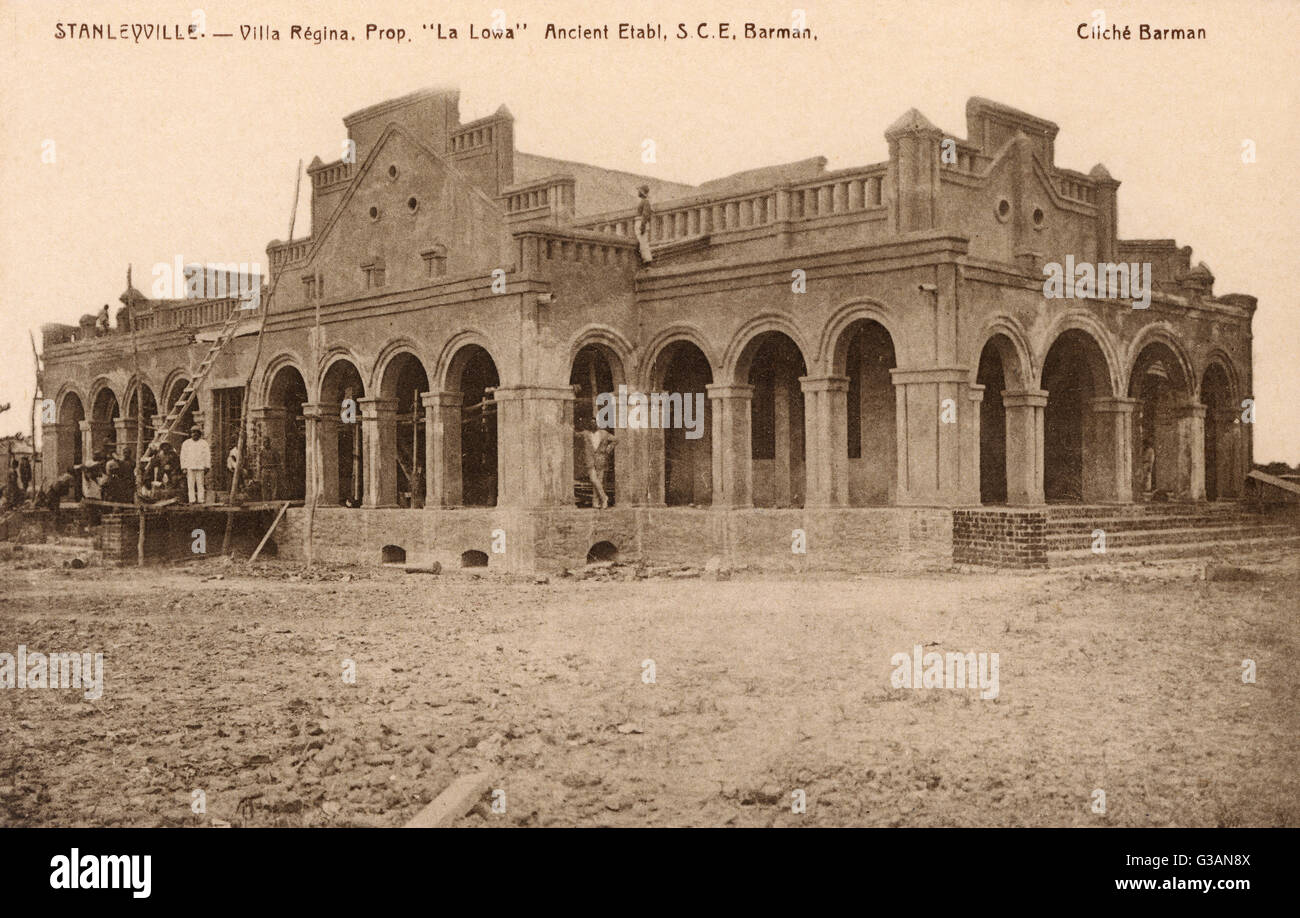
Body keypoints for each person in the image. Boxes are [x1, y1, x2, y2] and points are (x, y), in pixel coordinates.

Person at [584, 426, 616, 509]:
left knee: (599, 481)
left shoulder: (604, 433)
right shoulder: (586, 434)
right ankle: (604, 497)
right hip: (590, 460)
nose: (593, 424)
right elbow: (576, 434)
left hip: (600, 460)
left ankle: (596, 502)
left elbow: (616, 439)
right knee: (593, 479)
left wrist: (608, 448)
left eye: (595, 423)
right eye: (591, 423)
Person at [180, 425, 211, 504]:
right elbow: (183, 456)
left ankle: (201, 499)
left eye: (196, 432)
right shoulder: (186, 443)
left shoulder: (204, 443)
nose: (194, 434)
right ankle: (192, 500)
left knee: (200, 484)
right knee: (190, 484)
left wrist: (207, 466)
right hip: (190, 467)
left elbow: (207, 455)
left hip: (200, 467)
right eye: (193, 432)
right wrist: (184, 467)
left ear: (199, 434)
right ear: (190, 434)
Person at [257, 437, 281, 502]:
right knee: (264, 486)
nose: (265, 444)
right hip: (264, 469)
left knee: (274, 485)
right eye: (264, 442)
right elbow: (259, 462)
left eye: (267, 442)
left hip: (272, 469)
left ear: (269, 443)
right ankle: (265, 501)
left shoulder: (274, 451)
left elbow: (278, 460)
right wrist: (259, 472)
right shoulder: (261, 452)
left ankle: (273, 500)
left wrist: (276, 467)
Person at [634, 184, 653, 264]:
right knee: (641, 241)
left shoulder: (645, 202)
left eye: (639, 190)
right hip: (639, 223)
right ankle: (645, 259)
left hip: (641, 223)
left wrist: (642, 226)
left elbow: (645, 215)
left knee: (643, 242)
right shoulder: (644, 201)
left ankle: (647, 260)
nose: (638, 192)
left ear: (642, 192)